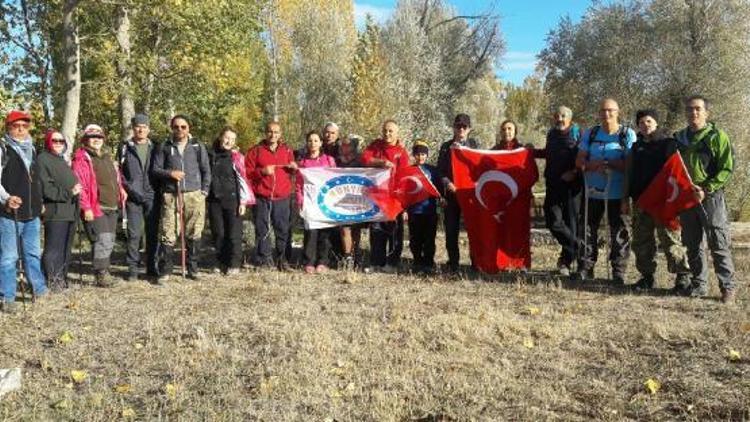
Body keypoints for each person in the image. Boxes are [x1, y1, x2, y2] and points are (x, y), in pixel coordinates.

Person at [674, 95, 736, 303]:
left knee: (718, 242)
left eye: (698, 109)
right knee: (692, 243)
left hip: (711, 197)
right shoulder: (679, 138)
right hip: (687, 198)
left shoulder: (717, 136)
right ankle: (699, 285)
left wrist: (707, 188)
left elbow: (727, 168)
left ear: (706, 112)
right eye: (690, 109)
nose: (694, 113)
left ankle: (727, 287)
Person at [623, 109, 691, 291]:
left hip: (664, 202)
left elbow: (679, 170)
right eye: (641, 122)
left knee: (670, 240)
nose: (645, 125)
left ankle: (683, 277)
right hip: (641, 201)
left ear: (656, 123)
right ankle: (646, 277)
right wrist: (626, 197)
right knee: (642, 241)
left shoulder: (668, 144)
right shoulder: (635, 147)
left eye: (649, 121)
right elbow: (629, 173)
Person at [575, 98, 635, 284]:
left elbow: (631, 164)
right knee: (587, 229)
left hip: (618, 193)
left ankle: (618, 271)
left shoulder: (627, 134)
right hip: (592, 192)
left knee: (619, 232)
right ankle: (585, 267)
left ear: (618, 112)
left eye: (610, 110)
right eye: (603, 111)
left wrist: (611, 164)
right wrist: (590, 165)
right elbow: (579, 161)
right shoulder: (591, 134)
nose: (606, 114)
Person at [151, 115, 211, 281]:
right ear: (172, 128)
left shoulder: (198, 146)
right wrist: (170, 173)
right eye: (176, 127)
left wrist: (204, 191)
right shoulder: (164, 146)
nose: (180, 130)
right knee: (168, 231)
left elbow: (206, 170)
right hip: (171, 194)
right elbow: (155, 169)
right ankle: (166, 270)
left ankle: (193, 268)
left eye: (183, 127)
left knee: (194, 231)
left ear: (188, 128)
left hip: (194, 195)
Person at [0, 110, 48, 313]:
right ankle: (7, 297)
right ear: (8, 127)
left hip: (32, 213)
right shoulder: (3, 148)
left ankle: (39, 290)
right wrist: (6, 198)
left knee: (32, 254)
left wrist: (40, 201)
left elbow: (35, 180)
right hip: (9, 213)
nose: (20, 129)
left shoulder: (33, 149)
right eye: (16, 126)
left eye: (24, 126)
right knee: (9, 256)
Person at [72, 124, 127, 287]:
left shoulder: (105, 157)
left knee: (109, 240)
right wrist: (86, 207)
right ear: (85, 140)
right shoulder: (82, 158)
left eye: (99, 137)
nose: (96, 140)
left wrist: (121, 189)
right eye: (92, 137)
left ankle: (105, 271)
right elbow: (80, 184)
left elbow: (114, 178)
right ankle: (101, 275)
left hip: (112, 206)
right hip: (96, 207)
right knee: (101, 240)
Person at [535, 106, 582, 277]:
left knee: (571, 223)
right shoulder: (552, 134)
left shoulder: (578, 134)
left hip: (572, 185)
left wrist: (575, 172)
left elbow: (585, 156)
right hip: (553, 183)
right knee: (552, 221)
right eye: (557, 116)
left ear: (570, 118)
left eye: (563, 116)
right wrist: (530, 152)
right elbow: (548, 154)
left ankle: (566, 263)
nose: (559, 119)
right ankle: (579, 247)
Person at [245, 121, 297, 271]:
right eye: (270, 132)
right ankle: (264, 261)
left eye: (276, 132)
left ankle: (283, 260)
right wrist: (262, 171)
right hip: (263, 196)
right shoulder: (255, 151)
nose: (273, 135)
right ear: (265, 132)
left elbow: (291, 171)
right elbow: (247, 173)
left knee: (283, 230)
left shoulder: (287, 150)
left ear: (280, 134)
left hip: (282, 197)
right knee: (263, 229)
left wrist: (294, 168)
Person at [361, 120, 409, 273]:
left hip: (395, 199)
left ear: (397, 133)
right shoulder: (376, 145)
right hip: (377, 197)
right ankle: (376, 262)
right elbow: (365, 159)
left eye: (391, 131)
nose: (387, 134)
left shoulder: (401, 152)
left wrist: (404, 204)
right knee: (376, 231)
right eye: (385, 130)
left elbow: (405, 178)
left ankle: (392, 263)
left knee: (394, 232)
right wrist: (381, 162)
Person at [38, 129, 82, 291]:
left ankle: (61, 279)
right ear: (48, 142)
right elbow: (46, 188)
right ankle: (52, 280)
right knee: (53, 248)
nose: (58, 144)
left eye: (61, 141)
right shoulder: (43, 159)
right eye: (54, 141)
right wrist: (69, 192)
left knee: (65, 248)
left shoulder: (61, 160)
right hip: (55, 211)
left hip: (69, 211)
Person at [117, 113, 159, 282]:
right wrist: (126, 188)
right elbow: (119, 171)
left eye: (144, 127)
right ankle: (133, 268)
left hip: (152, 195)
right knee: (134, 234)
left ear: (148, 129)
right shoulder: (125, 147)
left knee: (152, 233)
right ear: (133, 129)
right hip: (133, 196)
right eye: (137, 126)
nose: (141, 129)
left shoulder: (155, 147)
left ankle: (151, 267)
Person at [436, 113, 479, 273]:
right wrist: (448, 184)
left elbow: (481, 168)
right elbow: (440, 171)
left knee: (474, 230)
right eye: (458, 126)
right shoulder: (446, 147)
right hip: (451, 195)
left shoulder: (474, 146)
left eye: (464, 126)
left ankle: (476, 262)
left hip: (470, 196)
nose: (461, 129)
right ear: (453, 127)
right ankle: (453, 263)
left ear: (469, 129)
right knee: (451, 230)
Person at [207, 127, 252, 275]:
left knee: (234, 233)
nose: (229, 141)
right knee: (218, 233)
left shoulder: (237, 157)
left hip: (233, 199)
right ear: (220, 137)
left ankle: (234, 263)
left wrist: (243, 202)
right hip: (214, 199)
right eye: (227, 138)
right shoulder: (210, 155)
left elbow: (243, 180)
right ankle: (221, 262)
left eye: (233, 139)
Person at [296, 131, 337, 274]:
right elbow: (299, 185)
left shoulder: (329, 160)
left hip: (325, 202)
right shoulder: (303, 162)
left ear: (320, 143)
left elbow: (335, 181)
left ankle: (323, 262)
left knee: (325, 234)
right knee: (311, 233)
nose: (313, 144)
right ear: (307, 143)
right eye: (310, 141)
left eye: (315, 141)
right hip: (310, 202)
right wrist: (300, 201)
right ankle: (308, 262)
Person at [406, 140, 440, 274]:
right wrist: (404, 209)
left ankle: (428, 263)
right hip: (414, 211)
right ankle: (417, 261)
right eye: (418, 154)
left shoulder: (433, 170)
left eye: (423, 154)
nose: (421, 157)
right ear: (414, 155)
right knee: (415, 239)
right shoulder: (409, 170)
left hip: (430, 210)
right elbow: (404, 191)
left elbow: (439, 188)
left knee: (429, 239)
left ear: (427, 155)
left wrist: (442, 199)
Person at [338, 134, 365, 271]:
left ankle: (356, 254)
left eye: (348, 145)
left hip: (357, 198)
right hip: (340, 198)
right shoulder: (337, 161)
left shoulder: (361, 160)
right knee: (345, 228)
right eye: (343, 144)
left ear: (354, 146)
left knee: (356, 229)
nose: (345, 147)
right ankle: (348, 257)